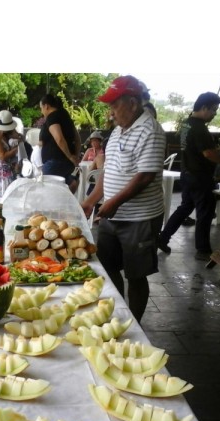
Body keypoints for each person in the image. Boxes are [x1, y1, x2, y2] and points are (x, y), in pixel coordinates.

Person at [81, 75, 166, 323]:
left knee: (136, 275)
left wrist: (113, 203)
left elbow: (145, 177)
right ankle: (118, 313)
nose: (110, 113)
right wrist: (91, 200)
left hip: (139, 218)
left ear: (132, 102)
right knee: (107, 268)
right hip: (112, 215)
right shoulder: (118, 131)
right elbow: (110, 173)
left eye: (114, 105)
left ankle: (134, 324)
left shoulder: (150, 130)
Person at [157, 92, 220, 260]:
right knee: (205, 212)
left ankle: (162, 238)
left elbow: (194, 148)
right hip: (200, 177)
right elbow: (208, 153)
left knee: (185, 208)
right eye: (213, 110)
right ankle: (203, 250)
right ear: (204, 108)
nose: (214, 114)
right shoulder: (199, 128)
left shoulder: (186, 125)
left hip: (187, 174)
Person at [39, 94, 81, 191]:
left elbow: (59, 139)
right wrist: (75, 156)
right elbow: (78, 138)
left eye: (41, 108)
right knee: (63, 190)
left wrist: (71, 156)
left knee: (49, 194)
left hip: (54, 162)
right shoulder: (65, 116)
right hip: (67, 164)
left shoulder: (52, 117)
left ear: (46, 106)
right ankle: (71, 181)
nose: (41, 111)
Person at [0, 109, 21, 198]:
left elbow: (19, 137)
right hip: (1, 173)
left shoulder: (4, 133)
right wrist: (15, 150)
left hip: (8, 171)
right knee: (2, 197)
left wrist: (16, 135)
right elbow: (2, 156)